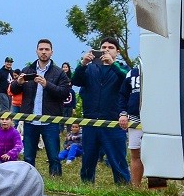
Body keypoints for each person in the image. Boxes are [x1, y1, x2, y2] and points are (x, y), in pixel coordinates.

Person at [72, 36, 131, 185]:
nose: (106, 50)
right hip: (91, 120)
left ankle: (123, 186)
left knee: (117, 158)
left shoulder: (122, 68)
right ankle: (86, 185)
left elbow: (127, 81)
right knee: (88, 158)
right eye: (103, 47)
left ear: (117, 52)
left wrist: (113, 65)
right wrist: (83, 63)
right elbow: (75, 81)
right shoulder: (90, 68)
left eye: (110, 48)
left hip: (113, 122)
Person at [12, 39, 71, 177]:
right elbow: (13, 91)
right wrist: (18, 83)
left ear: (52, 52)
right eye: (41, 49)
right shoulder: (27, 70)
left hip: (49, 120)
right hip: (30, 119)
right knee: (28, 157)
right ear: (36, 51)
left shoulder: (59, 73)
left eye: (47, 49)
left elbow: (64, 93)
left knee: (54, 157)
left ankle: (55, 183)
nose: (44, 52)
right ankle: (28, 182)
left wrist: (47, 84)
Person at [123, 66, 144, 186]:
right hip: (135, 118)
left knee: (155, 155)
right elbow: (123, 95)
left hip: (155, 119)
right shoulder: (132, 73)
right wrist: (123, 113)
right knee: (135, 153)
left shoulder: (159, 69)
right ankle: (136, 186)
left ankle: (156, 188)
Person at [60, 62, 77, 128]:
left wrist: (74, 107)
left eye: (66, 67)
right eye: (63, 67)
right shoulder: (59, 75)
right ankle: (61, 130)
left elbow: (74, 99)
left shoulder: (71, 76)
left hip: (69, 104)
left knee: (69, 118)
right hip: (62, 104)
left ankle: (69, 130)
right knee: (61, 118)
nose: (65, 68)